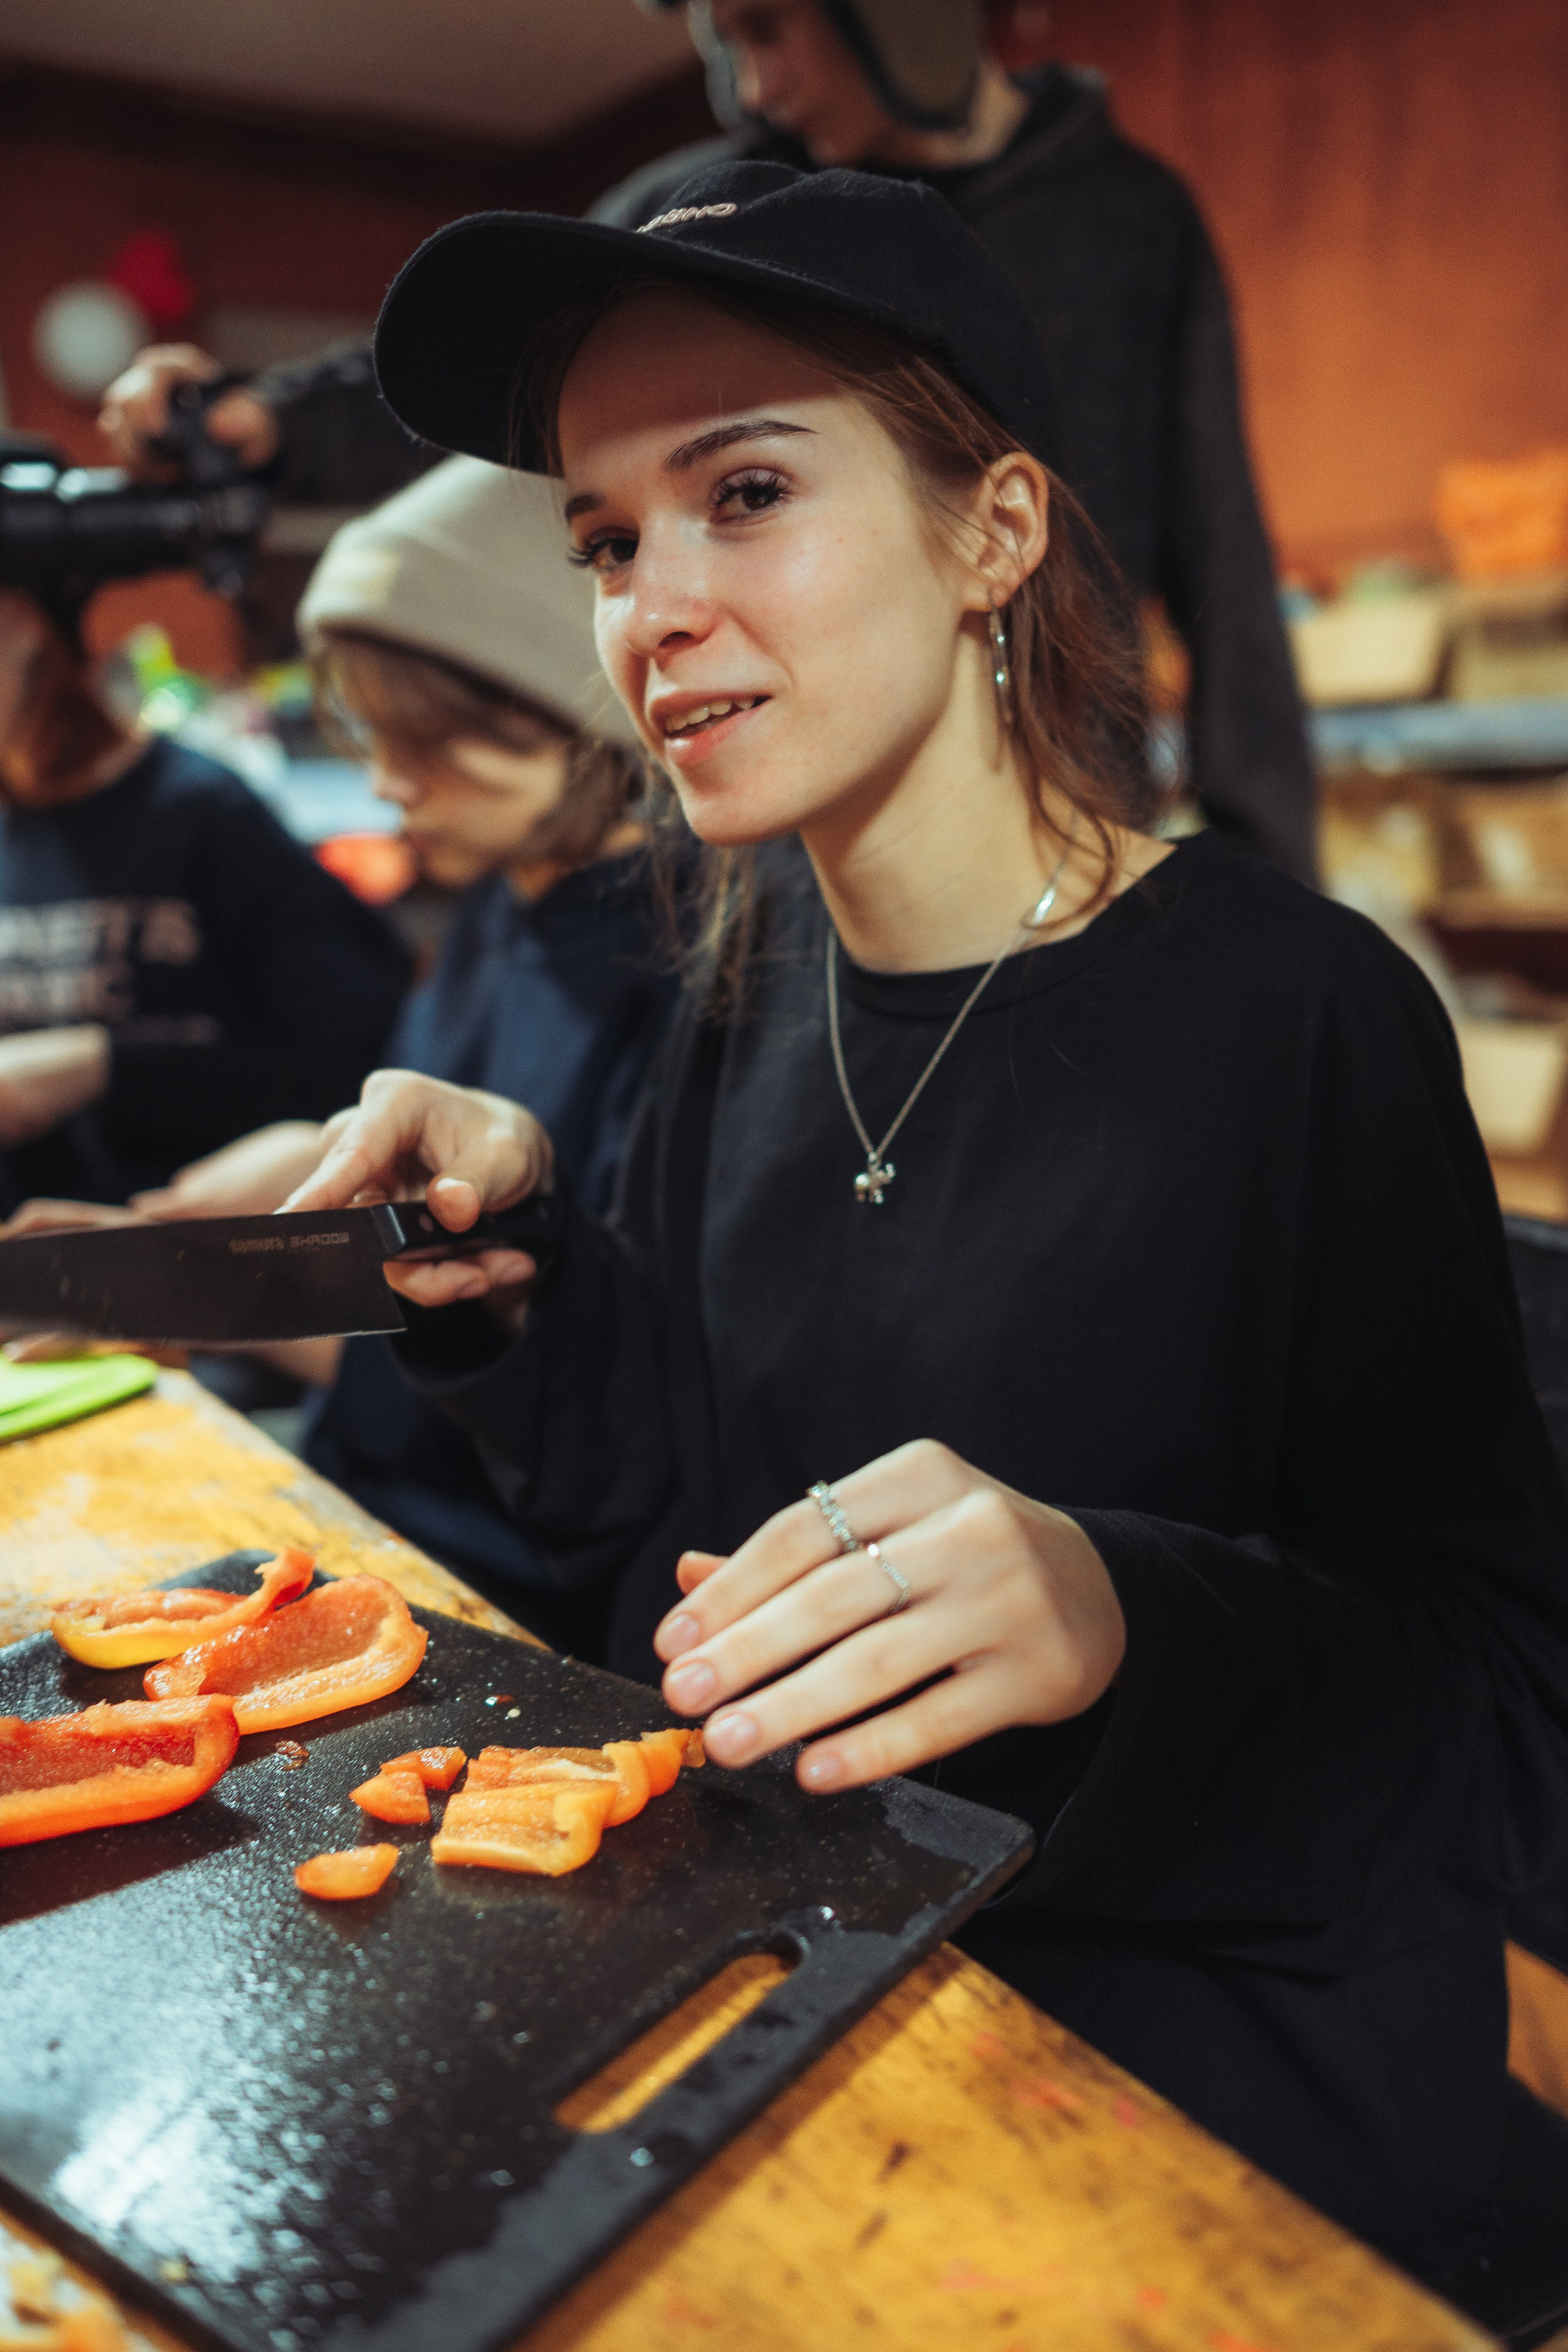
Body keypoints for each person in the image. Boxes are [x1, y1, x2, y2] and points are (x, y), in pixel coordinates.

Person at [285, 161, 1568, 2299]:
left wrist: (1118, 1620)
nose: (648, 609)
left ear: (997, 530)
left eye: (748, 492)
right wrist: (527, 1294)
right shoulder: (740, 981)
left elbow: (1511, 1726)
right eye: (608, 538)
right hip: (808, 2021)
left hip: (1212, 2125)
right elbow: (682, 1537)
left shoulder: (1300, 1012)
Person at [96, 1, 1315, 882]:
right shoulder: (715, 202)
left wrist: (1260, 880)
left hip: (1066, 808)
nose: (756, 89)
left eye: (768, 27)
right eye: (608, 545)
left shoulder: (1130, 220)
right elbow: (488, 390)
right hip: (790, 871)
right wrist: (274, 422)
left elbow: (1223, 558)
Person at [129, 456, 675, 1641]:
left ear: (554, 711)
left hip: (518, 1593)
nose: (384, 784)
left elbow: (588, 1387)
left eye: (420, 744)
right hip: (372, 1521)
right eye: (373, 737)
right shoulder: (496, 907)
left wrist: (229, 1297)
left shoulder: (669, 954)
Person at [0, 590, 409, 1215]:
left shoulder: (204, 815)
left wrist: (100, 1066)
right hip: (43, 1261)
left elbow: (351, 1064)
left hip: (209, 1252)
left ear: (22, 627)